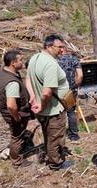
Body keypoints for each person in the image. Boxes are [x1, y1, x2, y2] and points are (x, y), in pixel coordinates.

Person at [27, 34, 71, 170]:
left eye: (63, 47)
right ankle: (56, 163)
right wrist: (42, 105)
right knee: (55, 138)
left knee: (48, 134)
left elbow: (28, 78)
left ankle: (53, 157)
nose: (62, 50)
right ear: (49, 46)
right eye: (60, 47)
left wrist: (33, 97)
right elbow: (47, 92)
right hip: (52, 109)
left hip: (43, 107)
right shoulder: (50, 64)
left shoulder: (35, 58)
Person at [0, 50, 32, 167]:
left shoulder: (3, 71)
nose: (22, 62)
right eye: (20, 60)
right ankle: (16, 160)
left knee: (17, 134)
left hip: (9, 111)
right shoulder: (12, 83)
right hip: (14, 113)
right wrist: (17, 117)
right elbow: (11, 105)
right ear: (13, 63)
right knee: (17, 136)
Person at [58, 46, 83, 142]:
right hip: (71, 90)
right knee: (71, 112)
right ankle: (74, 135)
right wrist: (75, 85)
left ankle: (59, 136)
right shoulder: (74, 59)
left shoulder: (55, 60)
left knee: (59, 113)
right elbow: (80, 75)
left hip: (58, 90)